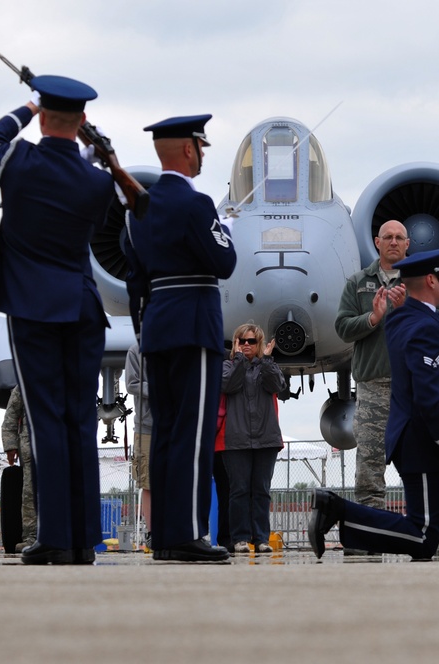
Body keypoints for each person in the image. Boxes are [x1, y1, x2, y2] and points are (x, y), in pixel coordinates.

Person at [0, 76, 116, 565]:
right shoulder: (97, 179)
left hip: (33, 306)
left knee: (46, 421)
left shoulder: (19, 161)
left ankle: (54, 535)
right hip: (82, 306)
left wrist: (23, 109)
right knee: (79, 421)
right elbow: (99, 220)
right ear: (80, 121)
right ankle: (83, 539)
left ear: (43, 115)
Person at [308, 248, 439, 560]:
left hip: (421, 428)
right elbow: (428, 400)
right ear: (431, 281)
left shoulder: (408, 317)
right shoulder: (423, 326)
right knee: (422, 538)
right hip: (420, 437)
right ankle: (337, 510)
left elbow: (428, 340)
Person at [124, 114, 237, 562]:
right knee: (193, 433)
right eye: (201, 148)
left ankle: (166, 535)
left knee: (167, 432)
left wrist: (145, 330)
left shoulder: (138, 211)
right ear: (189, 150)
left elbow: (135, 280)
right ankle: (188, 533)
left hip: (157, 330)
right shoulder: (198, 204)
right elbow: (223, 261)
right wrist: (225, 231)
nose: (203, 155)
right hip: (195, 326)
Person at [334, 219, 409, 511]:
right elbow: (341, 327)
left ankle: (434, 529)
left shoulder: (419, 281)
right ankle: (371, 528)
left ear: (407, 244)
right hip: (372, 385)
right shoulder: (357, 283)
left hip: (411, 387)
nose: (393, 241)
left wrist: (405, 313)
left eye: (398, 237)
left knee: (421, 457)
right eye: (387, 237)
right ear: (377, 242)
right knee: (369, 463)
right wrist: (372, 319)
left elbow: (434, 325)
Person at [221, 324, 286, 554]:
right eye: (242, 341)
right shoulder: (228, 366)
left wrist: (267, 361)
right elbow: (228, 385)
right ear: (236, 343)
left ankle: (261, 538)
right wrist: (239, 359)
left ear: (259, 344)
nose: (246, 345)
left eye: (251, 341)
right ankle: (239, 538)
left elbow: (278, 385)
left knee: (261, 490)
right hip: (236, 440)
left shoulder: (267, 367)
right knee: (238, 491)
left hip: (266, 439)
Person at [1, 385, 36, 553]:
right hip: (30, 446)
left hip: (54, 445)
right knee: (29, 494)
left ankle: (57, 534)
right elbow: (11, 415)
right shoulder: (24, 382)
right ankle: (31, 537)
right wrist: (10, 445)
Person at [124, 343, 152, 550]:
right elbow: (132, 383)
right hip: (146, 427)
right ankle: (153, 533)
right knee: (148, 483)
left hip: (175, 425)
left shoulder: (178, 345)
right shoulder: (136, 351)